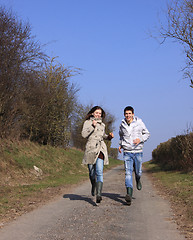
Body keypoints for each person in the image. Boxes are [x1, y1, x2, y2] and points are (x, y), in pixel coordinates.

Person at [81, 106, 114, 203]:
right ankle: (93, 185)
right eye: (96, 113)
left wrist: (109, 137)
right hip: (90, 149)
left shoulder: (103, 125)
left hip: (100, 148)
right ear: (92, 113)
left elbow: (103, 136)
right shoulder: (87, 123)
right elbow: (83, 135)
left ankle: (99, 194)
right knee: (91, 173)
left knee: (99, 171)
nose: (98, 115)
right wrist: (92, 126)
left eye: (100, 113)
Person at [118, 106, 150, 205]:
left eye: (129, 113)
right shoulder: (122, 124)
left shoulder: (139, 122)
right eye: (126, 114)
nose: (128, 115)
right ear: (124, 115)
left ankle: (138, 179)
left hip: (138, 151)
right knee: (128, 173)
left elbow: (147, 133)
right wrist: (120, 145)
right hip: (127, 151)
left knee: (138, 172)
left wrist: (140, 139)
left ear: (133, 114)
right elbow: (121, 136)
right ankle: (129, 195)